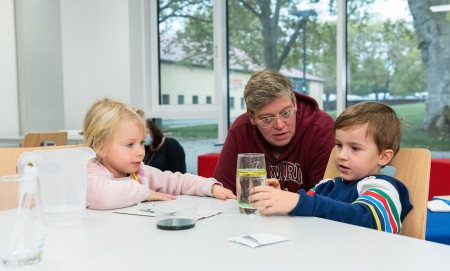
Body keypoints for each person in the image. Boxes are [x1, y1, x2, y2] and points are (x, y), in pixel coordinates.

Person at [249, 101, 413, 233]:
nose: (341, 155)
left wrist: (298, 202)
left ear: (384, 157)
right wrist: (282, 198)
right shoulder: (327, 186)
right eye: (339, 145)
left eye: (354, 148)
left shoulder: (382, 187)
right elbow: (304, 210)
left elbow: (370, 221)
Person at [83, 98, 236, 210]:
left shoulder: (140, 172)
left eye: (142, 143)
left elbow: (176, 181)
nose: (140, 151)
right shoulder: (91, 172)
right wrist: (146, 193)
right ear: (100, 147)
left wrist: (209, 187)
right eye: (130, 144)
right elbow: (104, 196)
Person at [214, 69, 335, 194]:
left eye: (286, 113)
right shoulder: (241, 129)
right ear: (252, 116)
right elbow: (224, 192)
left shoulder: (321, 128)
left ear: (294, 102)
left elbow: (327, 200)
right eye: (267, 119)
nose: (279, 125)